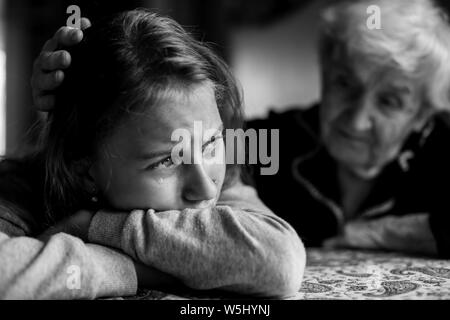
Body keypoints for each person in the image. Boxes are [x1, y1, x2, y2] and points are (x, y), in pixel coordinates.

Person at [31, 0, 450, 258]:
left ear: (424, 112)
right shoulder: (266, 141)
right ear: (324, 73)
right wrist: (70, 111)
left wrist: (376, 235)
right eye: (345, 84)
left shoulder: (442, 150)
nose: (358, 118)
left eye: (391, 101)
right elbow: (165, 139)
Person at [0, 9, 305, 299]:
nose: (205, 187)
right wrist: (141, 269)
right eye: (167, 160)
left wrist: (94, 226)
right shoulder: (18, 198)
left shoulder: (220, 187)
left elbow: (279, 260)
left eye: (211, 144)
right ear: (86, 172)